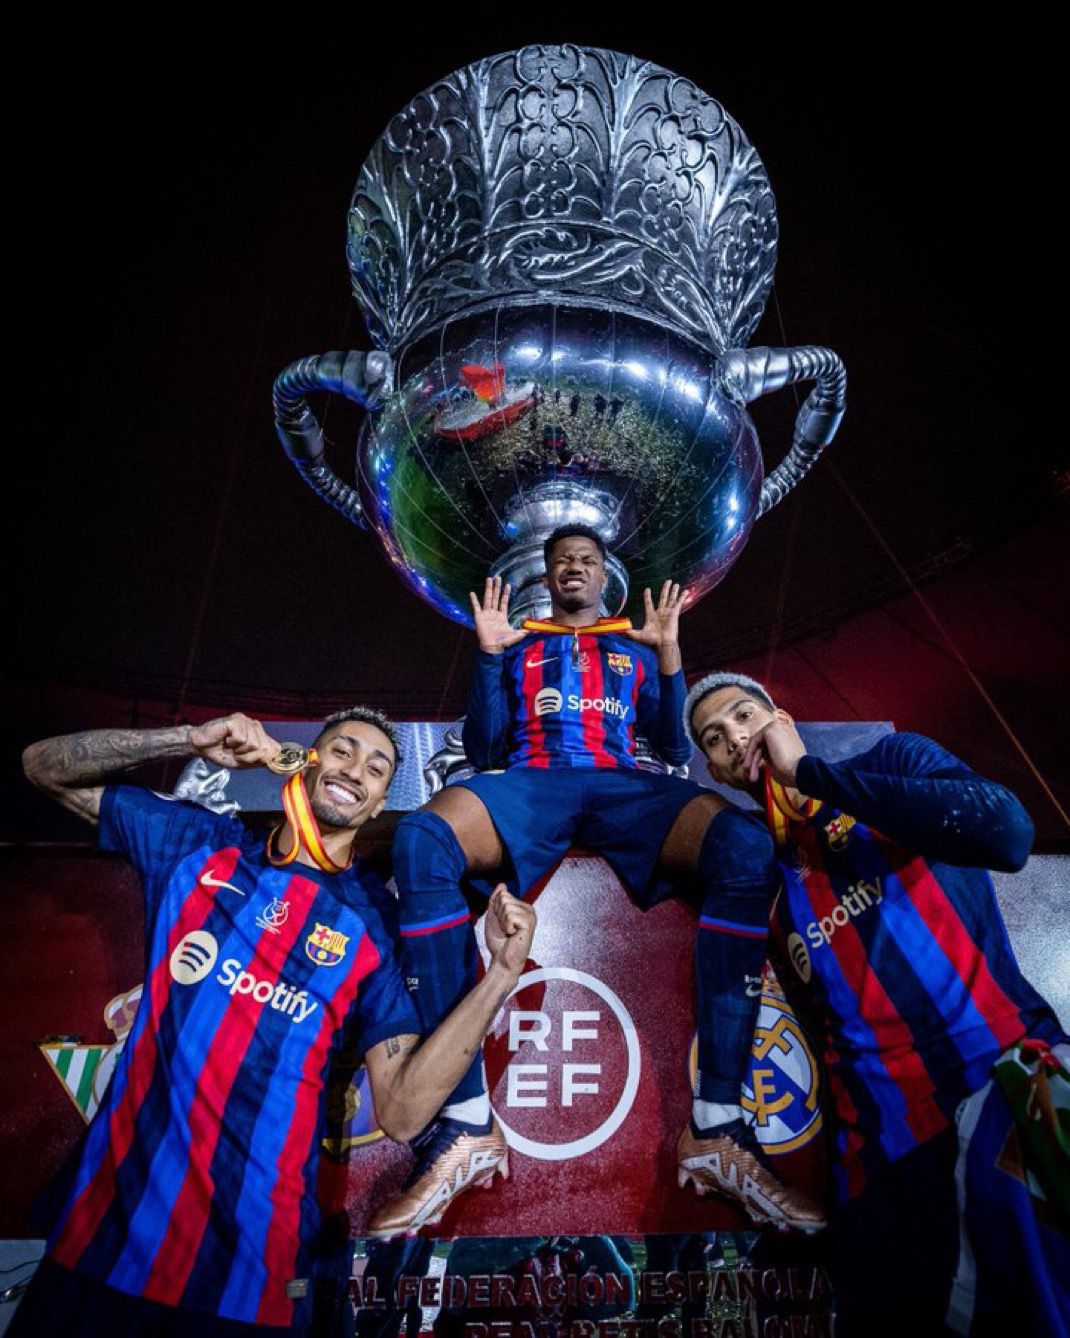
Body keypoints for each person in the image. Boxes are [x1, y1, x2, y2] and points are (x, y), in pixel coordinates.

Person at [15, 708, 536, 1337]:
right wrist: (186, 739)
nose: (356, 771)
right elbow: (41, 767)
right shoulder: (196, 845)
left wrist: (501, 974)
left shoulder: (374, 927)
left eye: (377, 769)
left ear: (378, 804)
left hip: (251, 1278)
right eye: (342, 750)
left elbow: (401, 1112)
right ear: (304, 764)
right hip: (104, 1242)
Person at [370, 526, 824, 1236]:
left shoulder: (632, 649)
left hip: (622, 786)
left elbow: (671, 747)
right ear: (549, 576)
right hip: (534, 783)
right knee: (422, 838)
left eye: (586, 560)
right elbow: (484, 749)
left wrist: (669, 657)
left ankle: (718, 1126)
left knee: (742, 845)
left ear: (604, 576)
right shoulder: (518, 644)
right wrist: (487, 656)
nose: (574, 568)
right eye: (562, 562)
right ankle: (463, 1125)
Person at [684, 672, 1070, 1337]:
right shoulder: (764, 873)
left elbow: (1007, 833)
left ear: (782, 720)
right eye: (713, 739)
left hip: (996, 1089)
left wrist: (809, 774)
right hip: (880, 1158)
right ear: (716, 771)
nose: (734, 739)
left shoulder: (893, 761)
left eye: (744, 716)